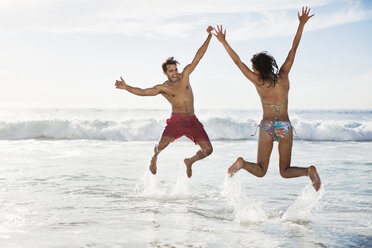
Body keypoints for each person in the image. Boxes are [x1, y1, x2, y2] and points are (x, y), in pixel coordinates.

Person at [213, 7, 321, 191]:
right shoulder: (284, 76)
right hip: (285, 127)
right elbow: (293, 49)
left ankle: (242, 164)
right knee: (285, 171)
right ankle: (308, 171)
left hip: (267, 127)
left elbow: (237, 62)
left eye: (253, 67)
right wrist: (301, 24)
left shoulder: (258, 81)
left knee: (261, 170)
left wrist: (223, 42)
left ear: (257, 69)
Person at [115, 26, 214, 178]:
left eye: (175, 69)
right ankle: (153, 158)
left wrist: (209, 37)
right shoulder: (164, 88)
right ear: (165, 73)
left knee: (208, 150)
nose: (175, 73)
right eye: (171, 71)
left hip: (192, 121)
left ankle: (189, 161)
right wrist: (126, 87)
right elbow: (143, 92)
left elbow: (198, 56)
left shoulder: (185, 75)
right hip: (176, 121)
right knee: (161, 146)